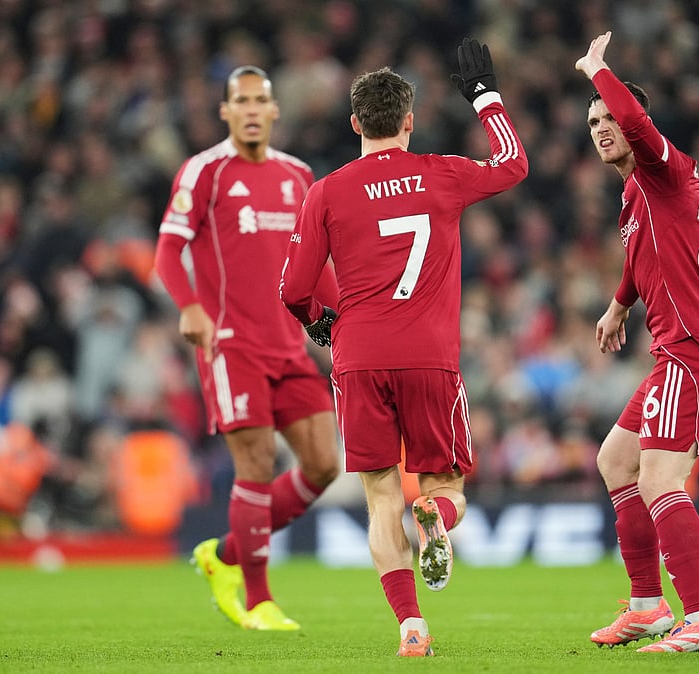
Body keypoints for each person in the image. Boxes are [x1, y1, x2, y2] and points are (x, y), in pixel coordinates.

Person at [280, 38, 528, 657]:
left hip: (358, 357)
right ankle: (437, 519)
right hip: (432, 357)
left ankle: (411, 627)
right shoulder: (441, 174)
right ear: (410, 121)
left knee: (380, 498)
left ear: (356, 122)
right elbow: (513, 163)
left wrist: (320, 322)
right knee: (444, 488)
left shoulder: (327, 192)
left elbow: (292, 288)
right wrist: (485, 96)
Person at [153, 65, 341, 632]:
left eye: (262, 100)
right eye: (243, 101)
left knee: (324, 464)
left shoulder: (298, 174)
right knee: (256, 463)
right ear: (226, 111)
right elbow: (168, 250)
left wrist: (336, 323)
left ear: (276, 110)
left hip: (288, 346)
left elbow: (314, 262)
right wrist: (189, 306)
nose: (253, 109)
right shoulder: (204, 171)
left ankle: (226, 555)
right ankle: (258, 600)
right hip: (230, 344)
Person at [575, 31, 699, 653]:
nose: (601, 127)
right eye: (592, 121)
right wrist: (619, 305)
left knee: (660, 478)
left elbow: (638, 124)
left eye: (609, 116)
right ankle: (647, 606)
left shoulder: (667, 171)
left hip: (693, 349)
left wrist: (598, 70)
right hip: (680, 349)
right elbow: (643, 259)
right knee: (615, 460)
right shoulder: (635, 194)